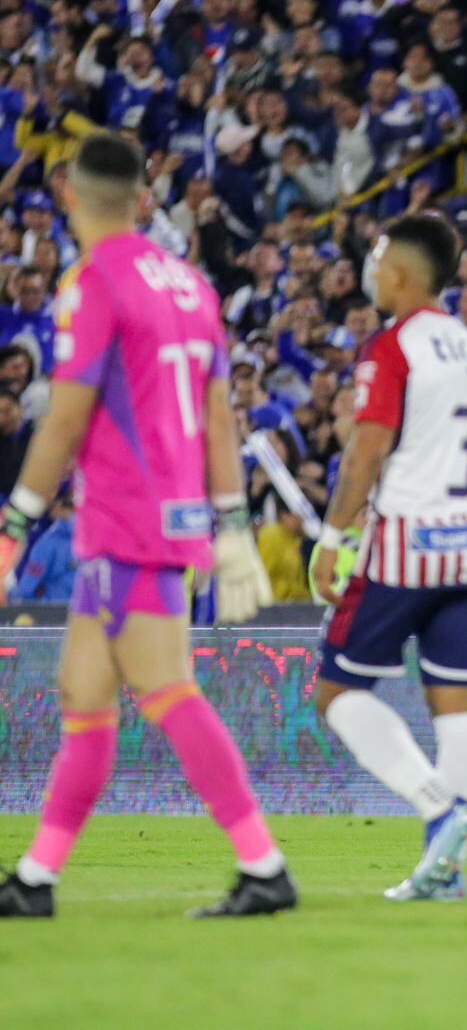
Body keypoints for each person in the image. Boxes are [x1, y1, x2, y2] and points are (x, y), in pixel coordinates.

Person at [0, 134, 285, 918]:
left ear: (67, 195)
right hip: (160, 517)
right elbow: (222, 416)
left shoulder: (92, 283)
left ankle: (264, 865)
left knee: (166, 690)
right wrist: (230, 523)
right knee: (83, 695)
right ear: (142, 198)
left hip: (129, 517)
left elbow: (63, 418)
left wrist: (14, 526)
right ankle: (35, 879)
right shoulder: (193, 285)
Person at [310, 214, 467, 903]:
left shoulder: (390, 348)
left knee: (337, 691)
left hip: (405, 546)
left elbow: (367, 450)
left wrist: (333, 539)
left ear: (399, 273)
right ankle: (446, 869)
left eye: (380, 257)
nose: (373, 268)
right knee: (456, 701)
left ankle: (438, 807)